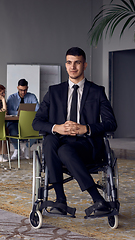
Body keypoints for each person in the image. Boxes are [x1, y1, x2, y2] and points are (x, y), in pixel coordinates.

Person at [32, 47, 117, 216]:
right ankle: (62, 200)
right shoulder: (54, 91)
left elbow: (111, 123)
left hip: (86, 145)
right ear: (65, 65)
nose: (73, 67)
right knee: (50, 140)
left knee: (63, 150)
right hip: (59, 142)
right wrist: (57, 127)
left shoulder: (97, 91)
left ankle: (95, 198)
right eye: (70, 62)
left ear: (84, 65)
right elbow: (37, 122)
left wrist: (87, 128)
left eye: (77, 62)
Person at [7, 79, 39, 160]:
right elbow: (8, 111)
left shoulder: (32, 96)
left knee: (37, 130)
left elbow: (37, 109)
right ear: (17, 88)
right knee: (12, 131)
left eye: (25, 90)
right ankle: (17, 149)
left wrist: (25, 114)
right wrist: (19, 113)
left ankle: (27, 148)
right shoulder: (11, 97)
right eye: (21, 90)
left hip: (29, 122)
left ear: (27, 88)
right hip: (14, 123)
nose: (23, 92)